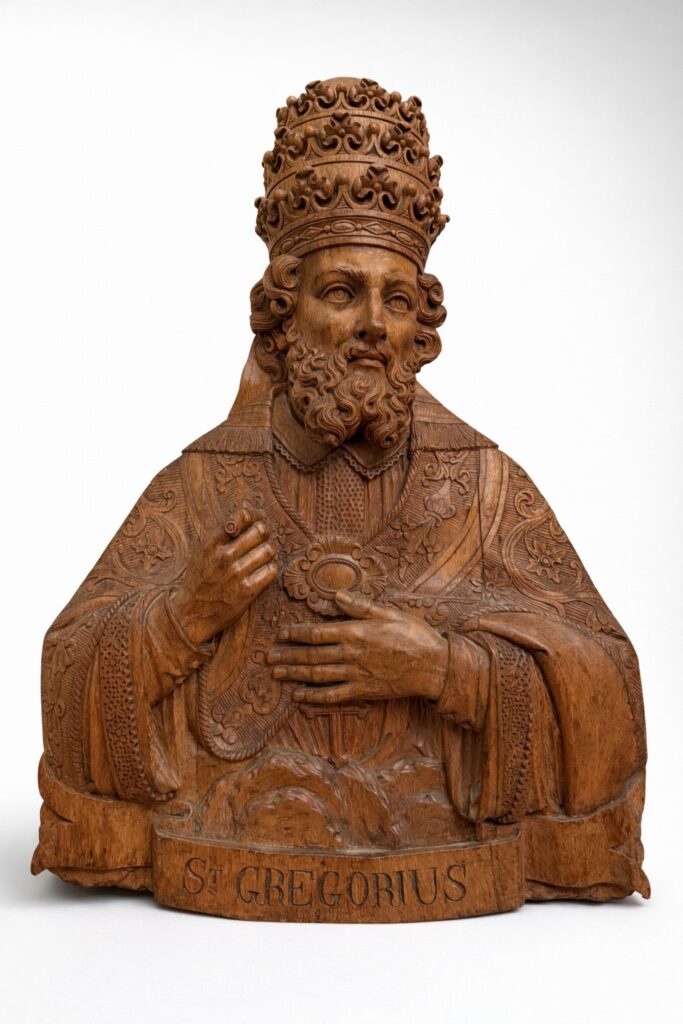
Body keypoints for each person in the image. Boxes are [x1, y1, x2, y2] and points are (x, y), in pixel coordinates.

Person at [33, 78, 648, 920]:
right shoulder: (204, 482)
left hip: (434, 847)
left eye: (396, 300)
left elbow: (606, 688)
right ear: (283, 319)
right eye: (340, 293)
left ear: (420, 328)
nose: (371, 326)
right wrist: (179, 619)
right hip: (233, 840)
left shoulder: (480, 485)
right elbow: (69, 665)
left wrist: (446, 672)